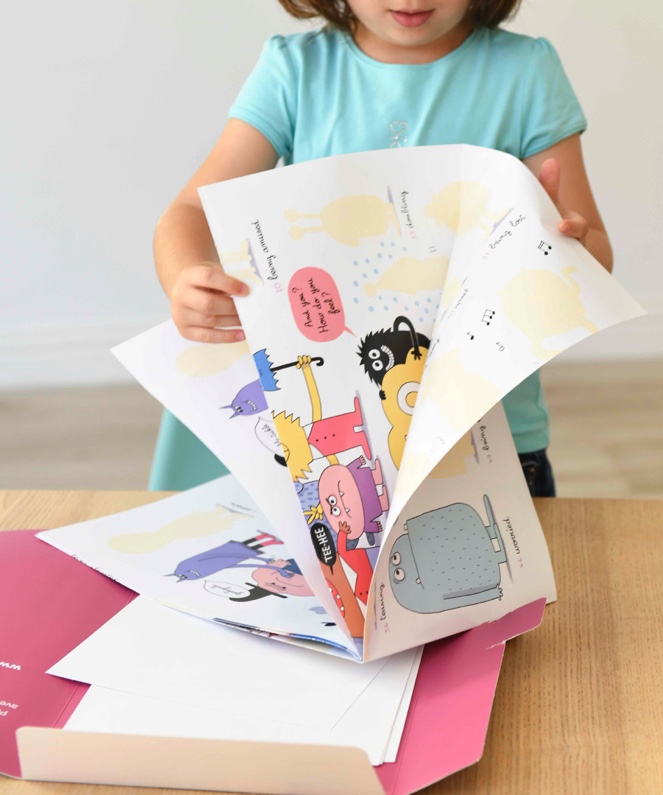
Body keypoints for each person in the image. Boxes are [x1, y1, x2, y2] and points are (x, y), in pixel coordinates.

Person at [151, 0, 613, 496]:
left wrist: (563, 248)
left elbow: (596, 254)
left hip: (492, 435)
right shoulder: (296, 69)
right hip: (333, 436)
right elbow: (191, 211)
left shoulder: (526, 71)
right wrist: (184, 276)